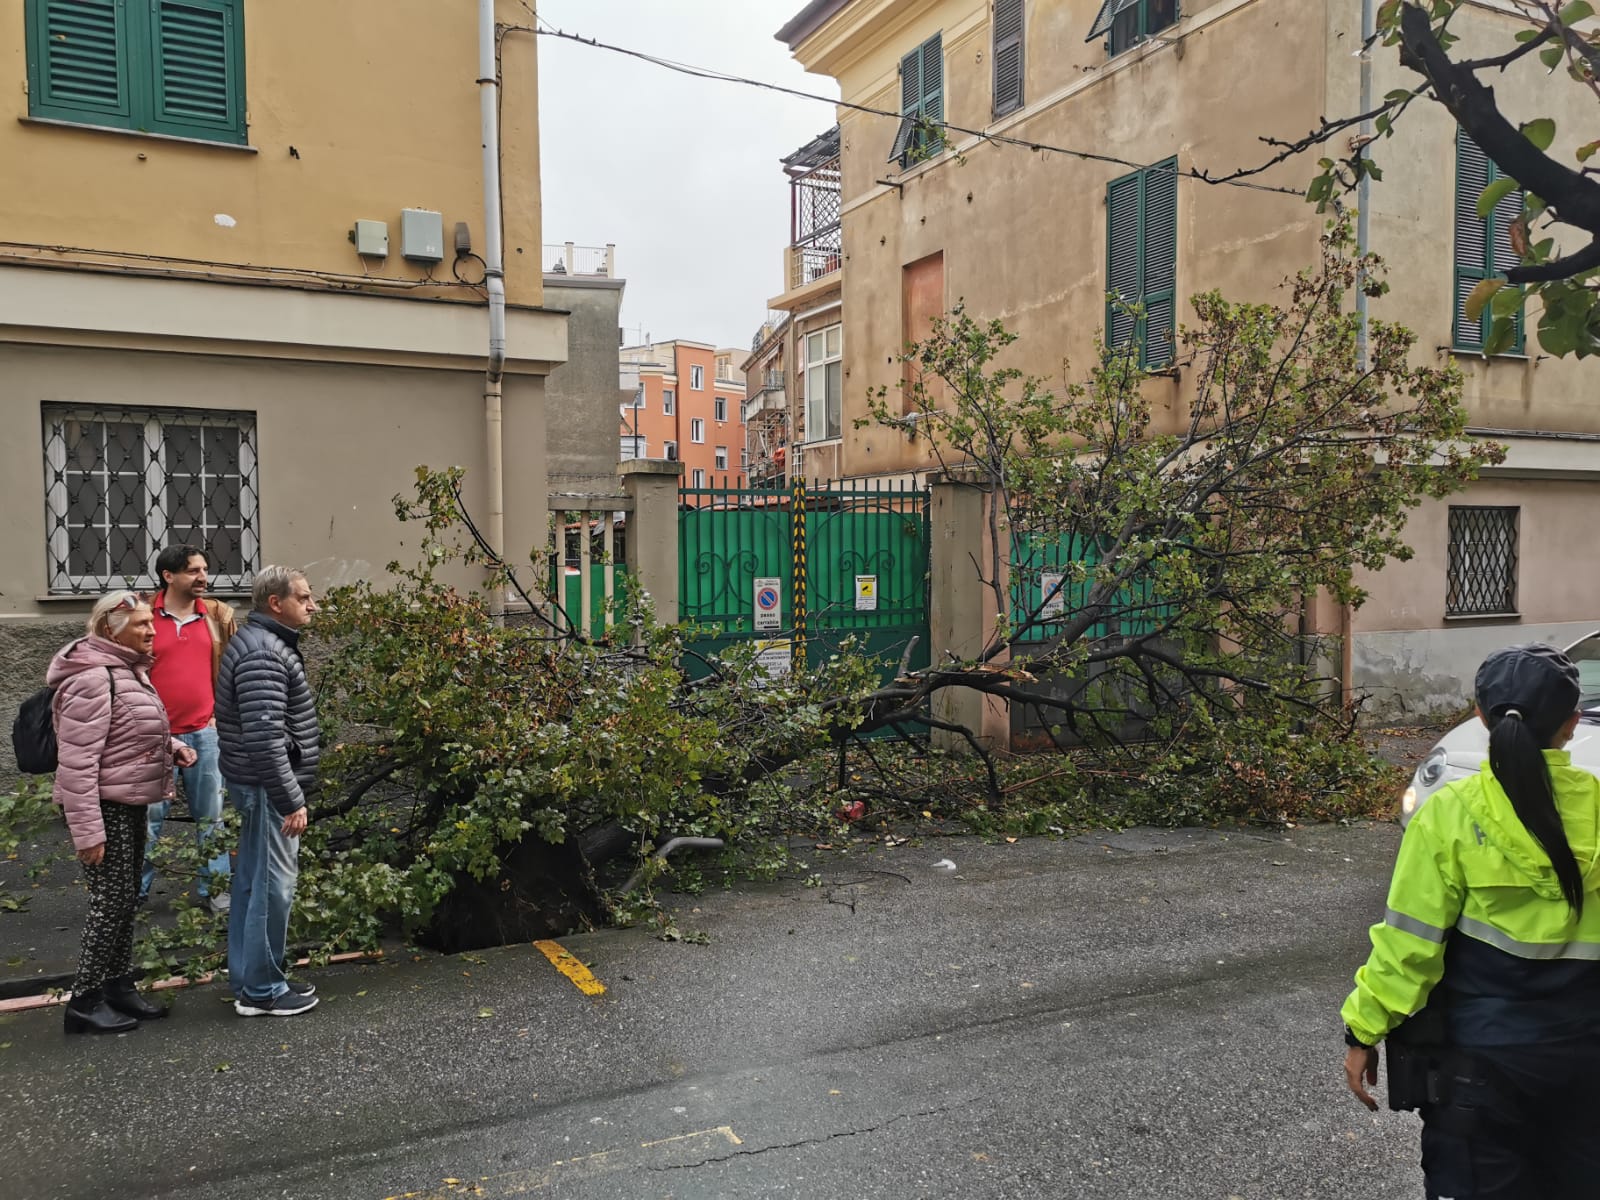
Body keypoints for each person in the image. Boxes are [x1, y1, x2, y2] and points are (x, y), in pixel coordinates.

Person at [1341, 643, 1600, 1198]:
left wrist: (1364, 1029)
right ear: (1573, 723)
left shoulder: (1450, 816)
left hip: (1478, 1074)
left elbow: (1407, 948)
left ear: (1480, 716)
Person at [50, 592, 199, 1033]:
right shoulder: (93, 679)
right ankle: (84, 1000)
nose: (152, 631)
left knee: (124, 900)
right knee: (109, 904)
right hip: (103, 808)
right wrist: (88, 833)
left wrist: (172, 748)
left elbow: (126, 734)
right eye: (141, 625)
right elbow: (77, 764)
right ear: (108, 631)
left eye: (151, 623)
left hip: (128, 801)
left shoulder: (129, 672)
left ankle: (117, 986)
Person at [215, 566, 320, 1017]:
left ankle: (255, 977)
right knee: (271, 887)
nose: (312, 605)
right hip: (265, 787)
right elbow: (263, 736)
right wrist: (290, 799)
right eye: (304, 598)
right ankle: (261, 991)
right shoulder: (264, 652)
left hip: (257, 784)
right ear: (275, 603)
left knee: (253, 882)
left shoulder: (263, 643)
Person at [142, 545, 237, 912]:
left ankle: (216, 893)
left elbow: (231, 669)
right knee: (148, 820)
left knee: (211, 819)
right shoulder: (142, 616)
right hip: (154, 735)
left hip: (205, 731)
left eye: (204, 570)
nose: (203, 577)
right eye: (194, 571)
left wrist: (219, 715)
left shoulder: (216, 615)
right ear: (168, 576)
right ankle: (134, 894)